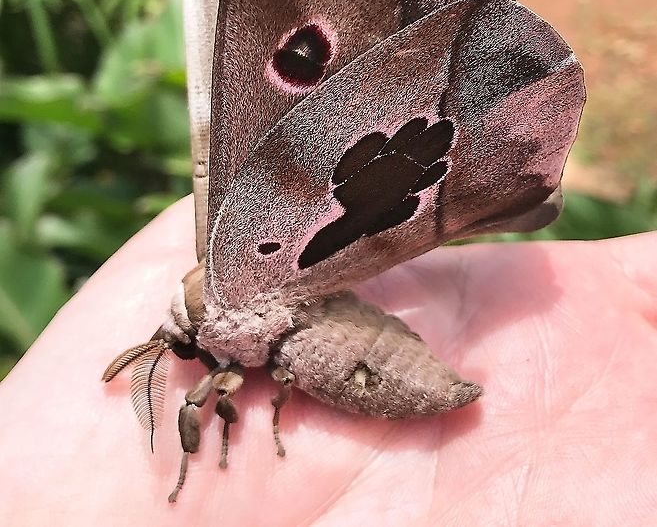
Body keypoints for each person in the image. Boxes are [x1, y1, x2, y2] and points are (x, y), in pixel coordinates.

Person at [1, 195, 655, 524]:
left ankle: (207, 464)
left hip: (330, 348)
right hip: (330, 335)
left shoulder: (218, 334)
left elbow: (219, 387)